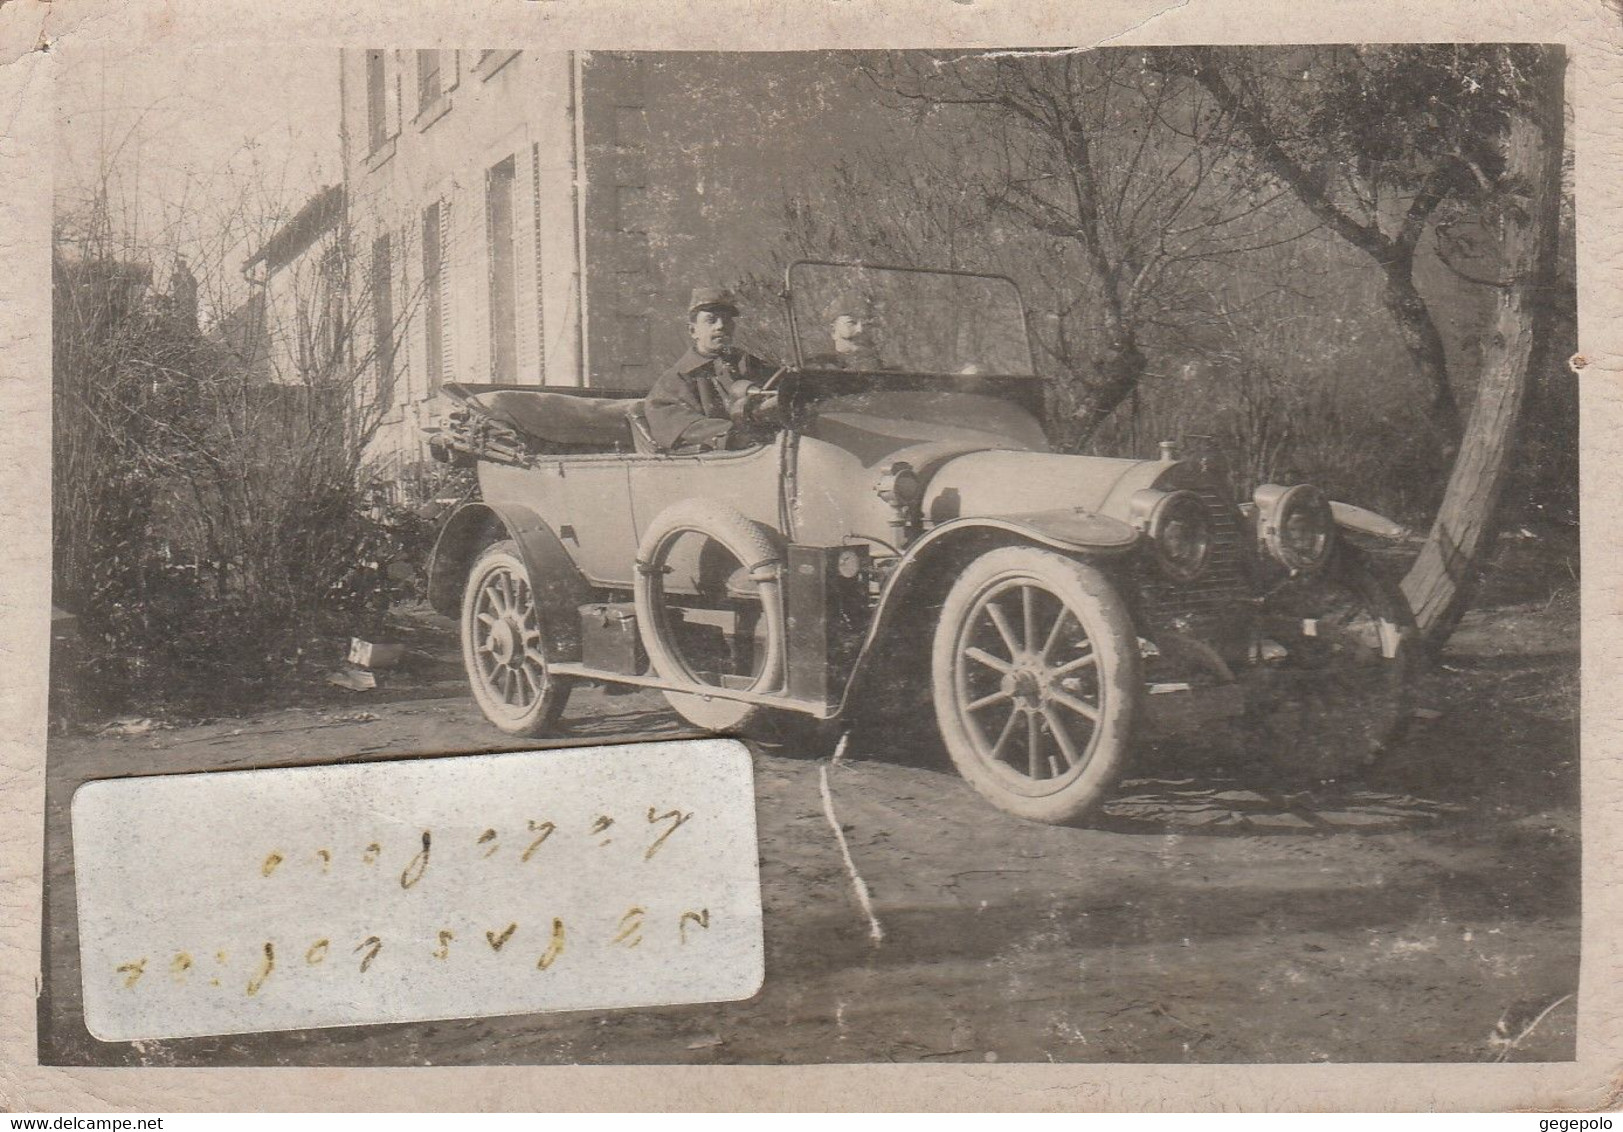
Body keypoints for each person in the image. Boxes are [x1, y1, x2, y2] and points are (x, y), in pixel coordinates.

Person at [644, 287, 781, 452]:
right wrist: (737, 434)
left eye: (727, 320)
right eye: (711, 320)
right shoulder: (675, 379)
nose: (721, 326)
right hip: (722, 464)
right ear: (693, 330)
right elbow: (682, 426)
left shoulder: (750, 364)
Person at [805, 291, 888, 370]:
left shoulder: (874, 362)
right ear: (833, 330)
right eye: (851, 323)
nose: (860, 330)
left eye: (866, 325)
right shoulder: (821, 365)